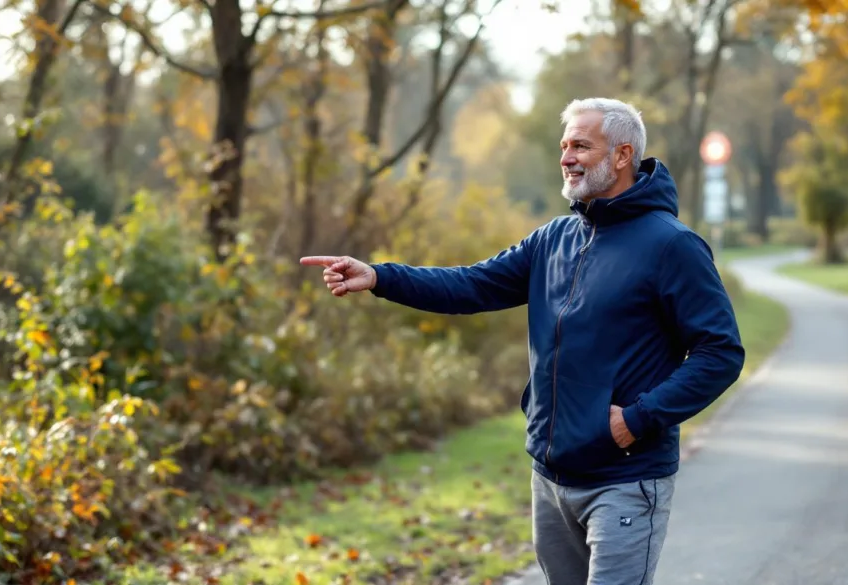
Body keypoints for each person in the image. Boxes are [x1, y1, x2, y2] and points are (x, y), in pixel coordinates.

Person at [300, 97, 745, 585]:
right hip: (551, 479)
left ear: (621, 156)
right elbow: (470, 285)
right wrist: (381, 277)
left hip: (626, 478)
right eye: (563, 146)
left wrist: (638, 419)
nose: (567, 157)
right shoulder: (553, 239)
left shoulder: (671, 246)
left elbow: (720, 352)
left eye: (581, 145)